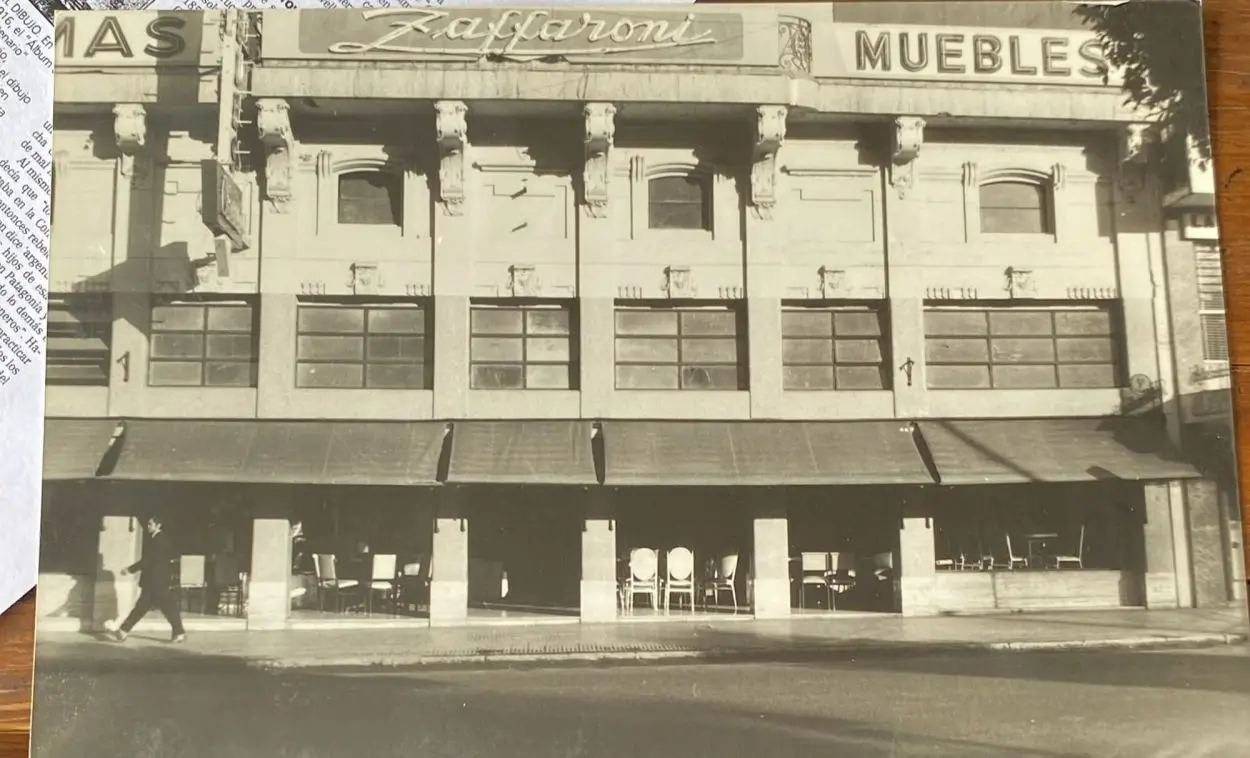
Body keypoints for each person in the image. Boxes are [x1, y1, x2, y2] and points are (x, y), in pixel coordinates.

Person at [107, 515, 186, 644]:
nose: (148, 526)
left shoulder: (160, 540)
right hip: (154, 581)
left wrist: (130, 569)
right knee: (149, 607)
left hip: (157, 581)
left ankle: (123, 631)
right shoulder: (156, 539)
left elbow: (148, 560)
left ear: (158, 525)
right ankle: (123, 631)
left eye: (150, 524)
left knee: (161, 607)